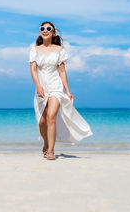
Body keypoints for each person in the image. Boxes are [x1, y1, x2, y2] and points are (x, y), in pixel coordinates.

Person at [29, 21, 93, 160]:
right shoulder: (34, 49)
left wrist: (68, 91)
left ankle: (51, 151)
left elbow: (62, 71)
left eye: (48, 28)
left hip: (56, 88)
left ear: (53, 32)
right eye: (42, 28)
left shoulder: (60, 50)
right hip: (41, 89)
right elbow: (33, 70)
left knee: (51, 116)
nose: (45, 30)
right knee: (42, 122)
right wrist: (38, 87)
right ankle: (46, 143)